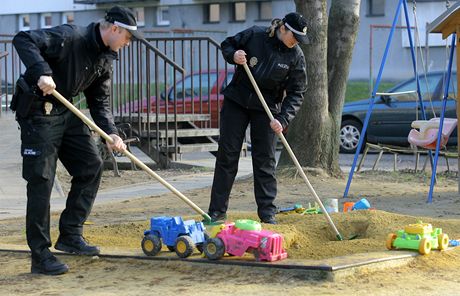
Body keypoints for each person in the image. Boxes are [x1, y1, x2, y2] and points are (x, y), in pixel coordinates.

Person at [11, 5, 142, 275]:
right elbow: (23, 39)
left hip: (65, 110)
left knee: (90, 166)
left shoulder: (105, 58)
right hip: (37, 110)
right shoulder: (70, 37)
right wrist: (41, 72)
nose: (127, 45)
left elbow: (100, 101)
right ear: (115, 29)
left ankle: (70, 235)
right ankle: (40, 255)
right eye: (128, 39)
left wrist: (111, 133)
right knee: (42, 180)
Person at [207, 12, 308, 224]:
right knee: (228, 156)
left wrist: (283, 118)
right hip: (237, 101)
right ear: (283, 29)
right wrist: (233, 56)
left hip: (267, 109)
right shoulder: (255, 35)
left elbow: (298, 92)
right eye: (295, 36)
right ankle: (216, 212)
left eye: (300, 38)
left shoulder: (296, 56)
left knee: (265, 161)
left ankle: (267, 213)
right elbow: (228, 45)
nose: (297, 41)